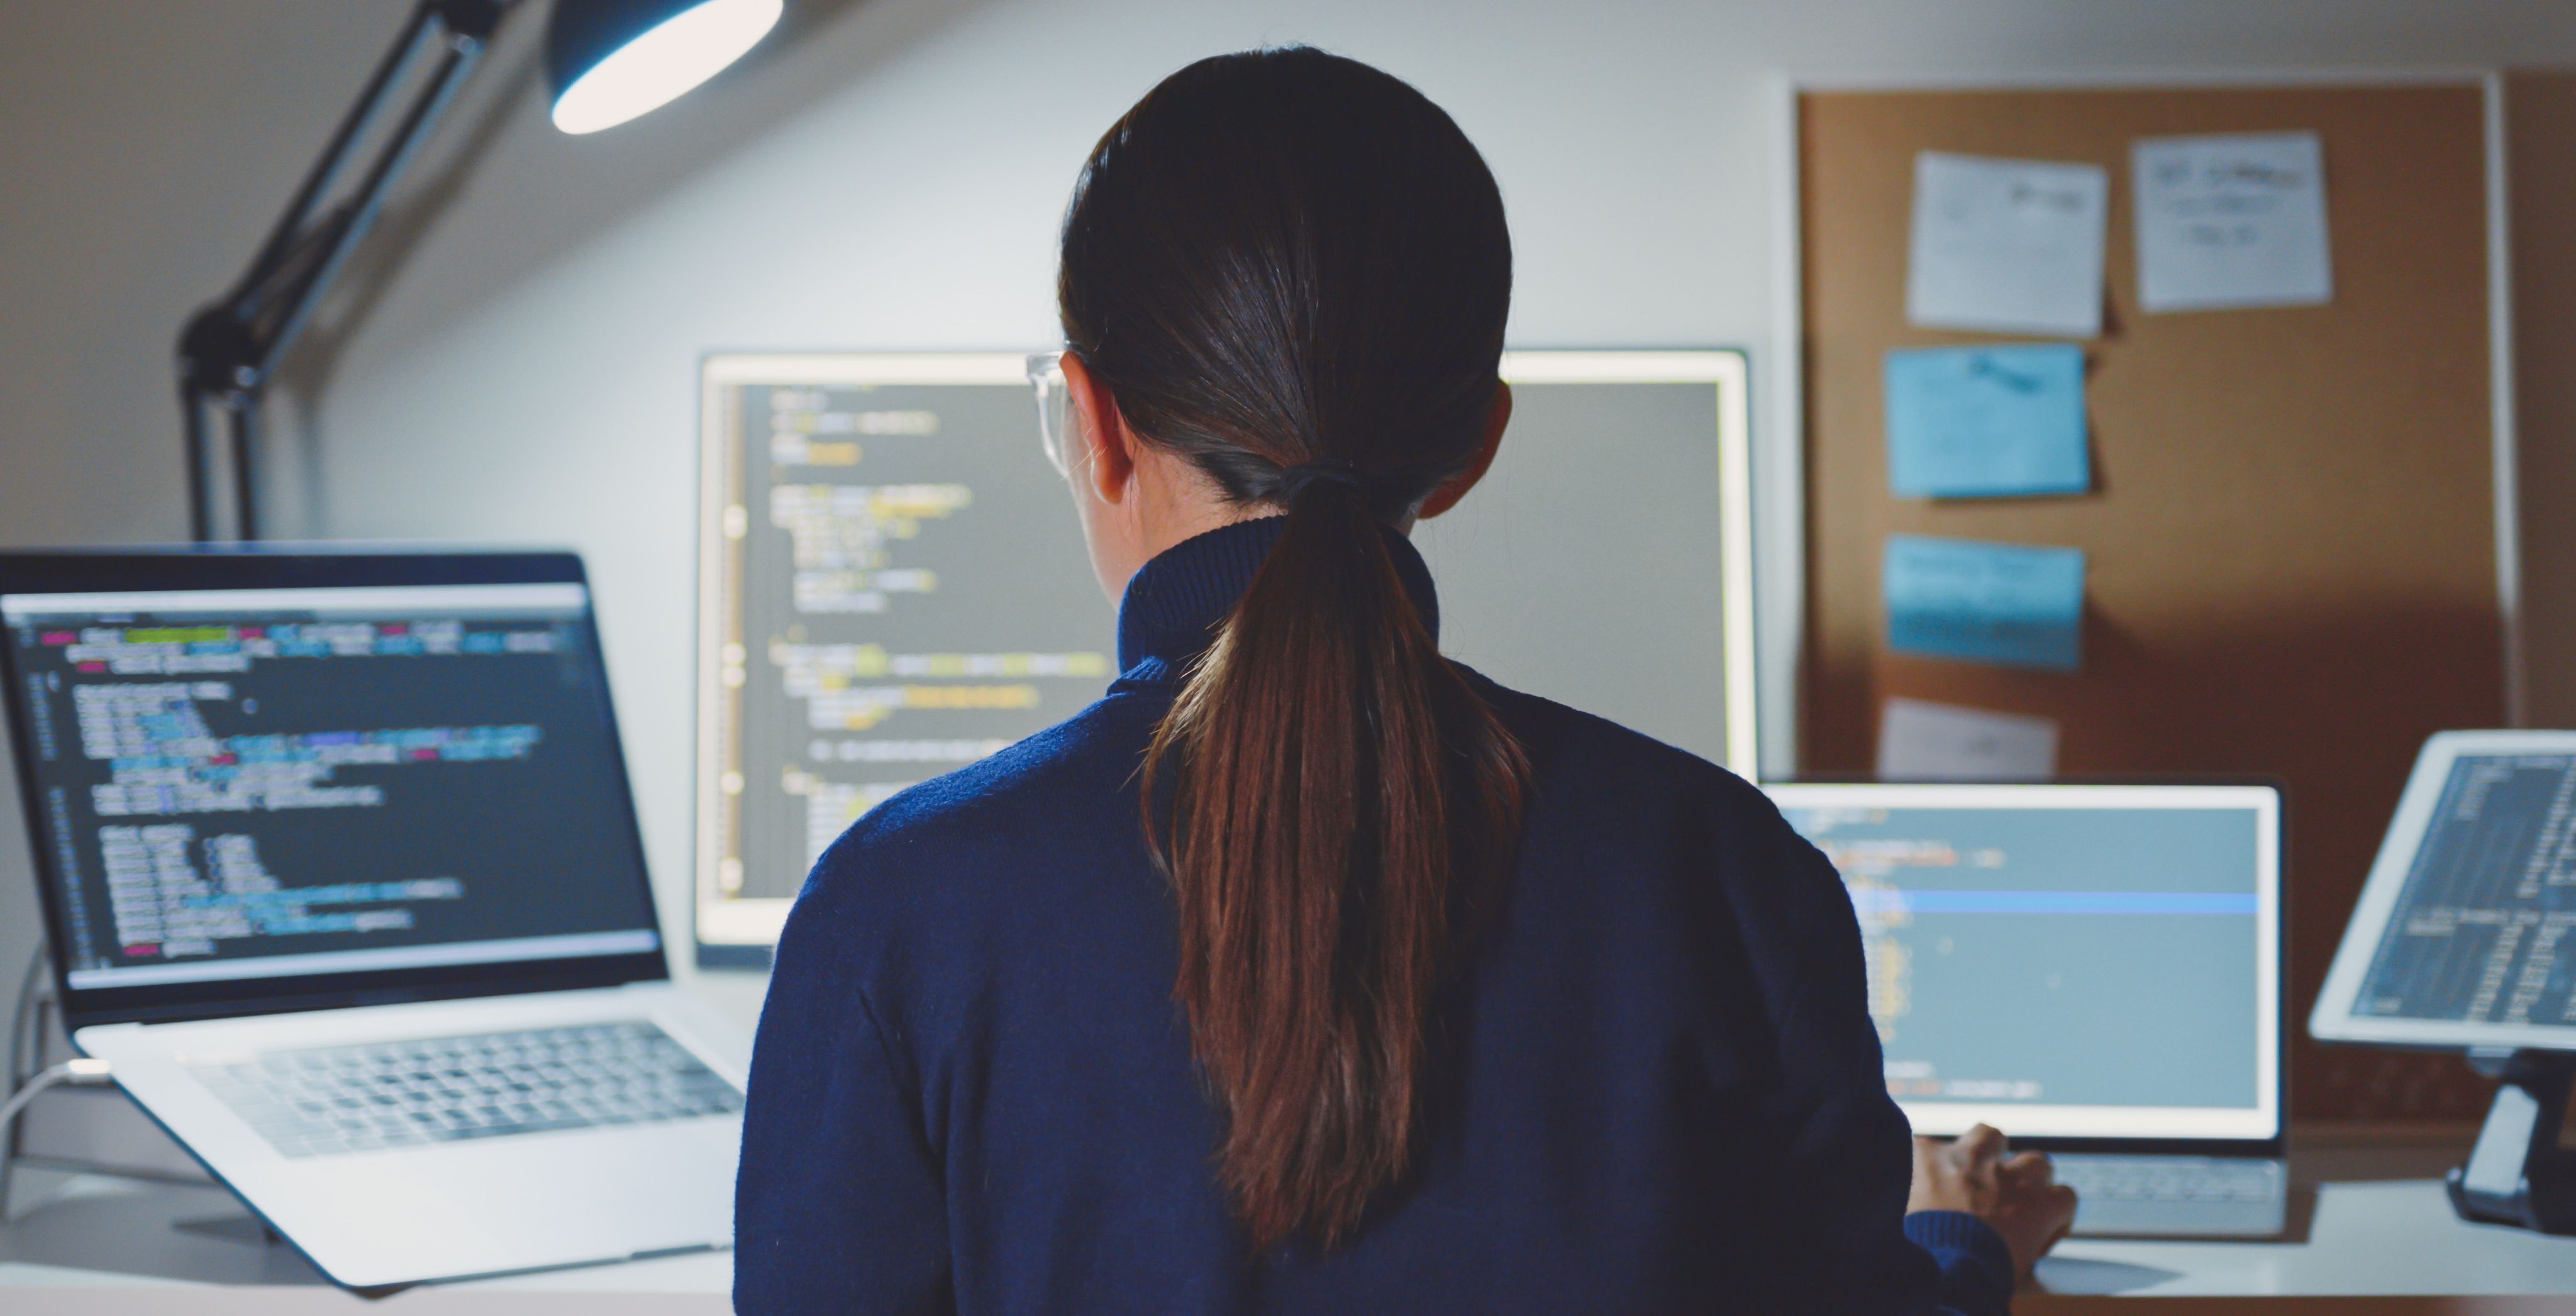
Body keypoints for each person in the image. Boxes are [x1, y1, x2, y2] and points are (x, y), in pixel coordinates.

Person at [735, 46, 2075, 1313]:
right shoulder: (1721, 872)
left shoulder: (897, 909)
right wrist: (1957, 1244)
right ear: (1475, 444)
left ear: (1093, 423)